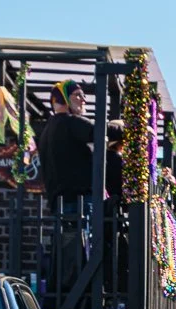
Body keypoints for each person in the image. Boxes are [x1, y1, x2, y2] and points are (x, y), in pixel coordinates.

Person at [37, 80, 122, 214]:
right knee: (85, 235)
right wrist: (132, 130)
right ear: (62, 99)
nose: (83, 100)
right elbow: (100, 129)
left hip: (59, 203)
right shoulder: (69, 121)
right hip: (78, 203)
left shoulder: (47, 130)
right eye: (78, 95)